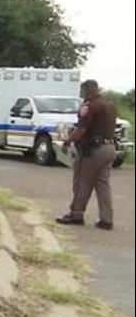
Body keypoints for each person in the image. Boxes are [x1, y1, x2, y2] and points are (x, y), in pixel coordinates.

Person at [56, 79, 118, 230]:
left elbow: (81, 129)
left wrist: (68, 141)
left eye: (83, 91)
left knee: (82, 182)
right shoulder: (110, 105)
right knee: (103, 185)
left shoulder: (89, 106)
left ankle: (76, 214)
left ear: (87, 90)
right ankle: (106, 219)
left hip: (93, 149)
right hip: (110, 147)